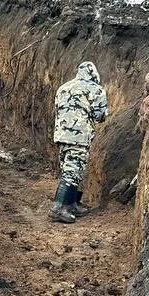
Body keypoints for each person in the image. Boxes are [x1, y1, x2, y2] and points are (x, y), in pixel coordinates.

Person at [49, 61, 109, 223]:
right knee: (72, 172)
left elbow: (57, 109)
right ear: (94, 74)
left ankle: (71, 204)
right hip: (79, 137)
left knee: (69, 169)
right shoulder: (95, 89)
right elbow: (100, 115)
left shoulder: (63, 87)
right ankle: (58, 208)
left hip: (61, 135)